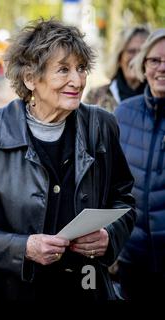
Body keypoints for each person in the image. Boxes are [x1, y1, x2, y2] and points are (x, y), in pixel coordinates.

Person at [0, 19, 136, 300]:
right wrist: (23, 248)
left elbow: (125, 201)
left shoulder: (102, 126)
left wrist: (109, 237)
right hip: (9, 292)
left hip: (86, 290)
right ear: (31, 78)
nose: (78, 80)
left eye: (81, 68)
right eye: (63, 70)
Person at [114, 28, 165, 300]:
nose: (162, 68)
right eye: (154, 60)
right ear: (143, 67)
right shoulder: (123, 114)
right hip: (133, 258)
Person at [85, 26, 150, 112]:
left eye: (142, 52)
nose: (137, 58)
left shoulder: (158, 97)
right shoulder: (95, 96)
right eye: (131, 51)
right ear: (119, 58)